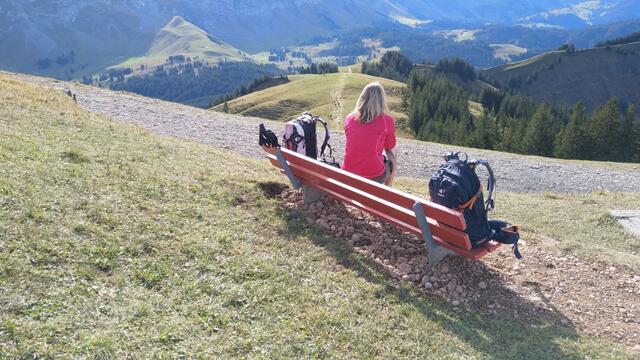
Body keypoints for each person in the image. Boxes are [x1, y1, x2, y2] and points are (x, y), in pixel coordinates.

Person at [343, 82, 398, 186]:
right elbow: (389, 146)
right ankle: (388, 190)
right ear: (382, 100)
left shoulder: (349, 118)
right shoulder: (387, 120)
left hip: (347, 172)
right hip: (374, 175)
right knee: (393, 153)